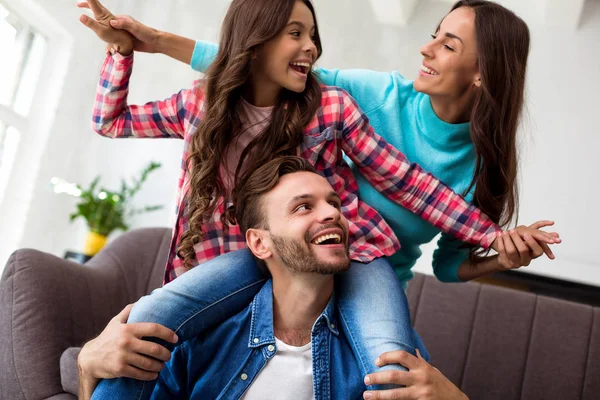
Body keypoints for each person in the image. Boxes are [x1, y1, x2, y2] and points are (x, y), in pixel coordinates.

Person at [75, 0, 559, 398]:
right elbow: (239, 65)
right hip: (259, 255)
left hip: (367, 260)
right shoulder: (369, 93)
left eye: (448, 43)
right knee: (148, 323)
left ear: (482, 72)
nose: (426, 47)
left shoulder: (330, 111)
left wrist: (496, 242)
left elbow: (411, 187)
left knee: (393, 366)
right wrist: (137, 47)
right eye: (296, 34)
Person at [92, 155, 469, 400]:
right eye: (303, 206)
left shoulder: (383, 347)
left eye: (333, 203)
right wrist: (86, 368)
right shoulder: (205, 339)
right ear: (259, 243)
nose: (332, 214)